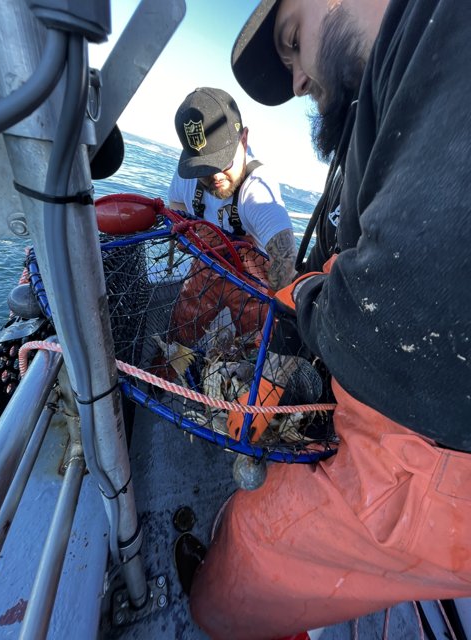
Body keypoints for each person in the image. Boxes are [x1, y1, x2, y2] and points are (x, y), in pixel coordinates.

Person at [184, 1, 471, 638]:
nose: (296, 83)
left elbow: (397, 312)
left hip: (435, 455)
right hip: (396, 395)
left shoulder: (443, 25)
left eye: (293, 39)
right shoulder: (386, 103)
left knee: (234, 570)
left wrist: (305, 297)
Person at [167, 87, 297, 346]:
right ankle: (165, 376)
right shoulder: (187, 175)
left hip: (253, 280)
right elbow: (176, 205)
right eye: (204, 168)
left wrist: (276, 320)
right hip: (207, 266)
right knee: (179, 332)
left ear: (244, 139)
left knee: (252, 346)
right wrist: (195, 238)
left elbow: (286, 258)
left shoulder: (257, 190)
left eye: (223, 163)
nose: (215, 176)